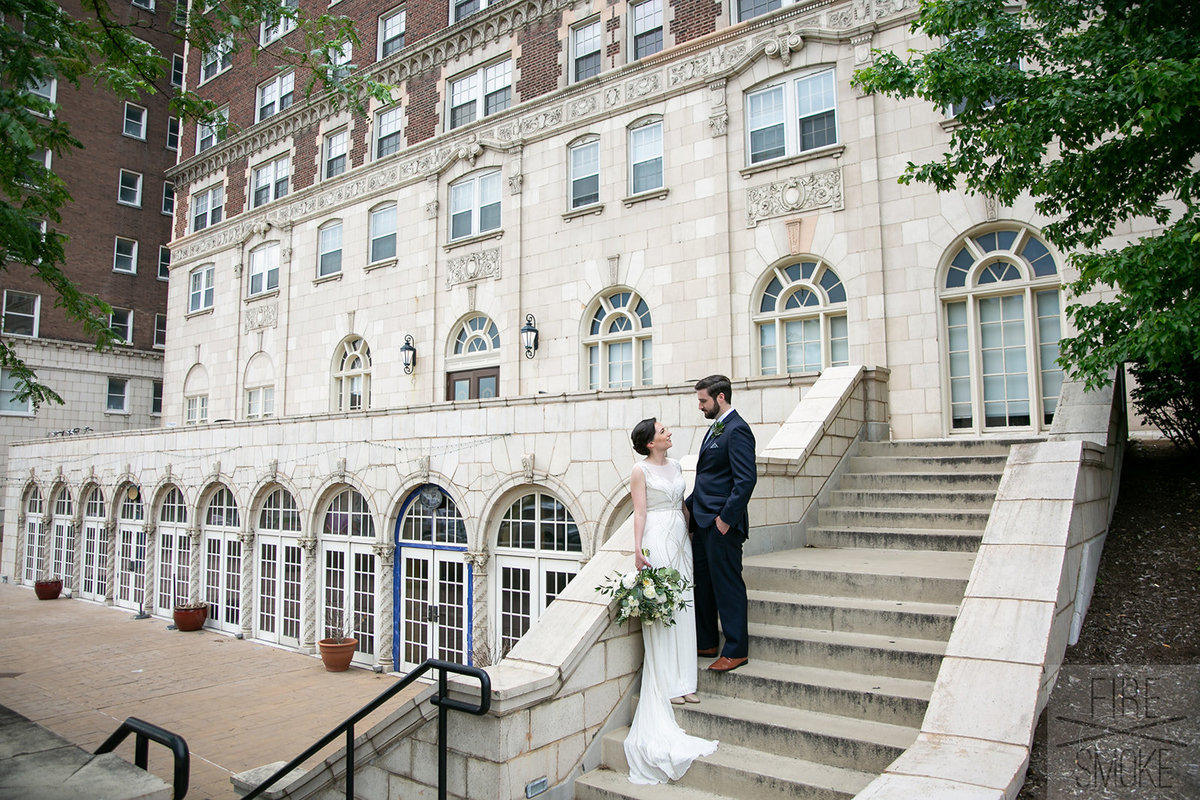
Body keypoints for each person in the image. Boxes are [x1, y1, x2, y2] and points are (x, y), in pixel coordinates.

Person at [623, 418, 718, 785]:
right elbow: (641, 512)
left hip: (681, 538)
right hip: (657, 538)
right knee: (667, 611)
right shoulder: (639, 470)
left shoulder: (677, 466)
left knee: (686, 606)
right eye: (662, 431)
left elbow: (682, 506)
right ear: (650, 443)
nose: (669, 433)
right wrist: (637, 550)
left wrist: (692, 536)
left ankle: (685, 683)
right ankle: (667, 685)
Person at [686, 375, 757, 672]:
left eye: (703, 401)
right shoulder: (715, 429)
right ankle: (706, 642)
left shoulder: (738, 430)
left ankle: (736, 649)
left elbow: (746, 480)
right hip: (701, 522)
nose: (700, 406)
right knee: (702, 585)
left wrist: (725, 520)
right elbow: (707, 477)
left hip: (721, 525)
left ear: (721, 398)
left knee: (727, 586)